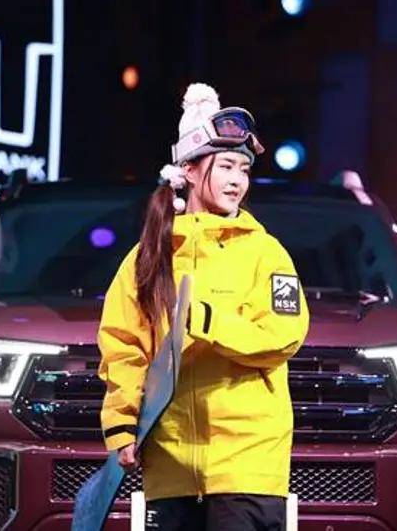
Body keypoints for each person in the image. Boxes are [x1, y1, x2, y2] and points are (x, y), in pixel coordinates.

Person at [97, 83, 310, 531]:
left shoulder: (267, 254)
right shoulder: (148, 257)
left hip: (248, 463)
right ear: (190, 170)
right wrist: (121, 426)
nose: (237, 180)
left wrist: (206, 319)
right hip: (169, 464)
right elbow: (124, 347)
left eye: (244, 169)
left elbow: (283, 336)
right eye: (226, 166)